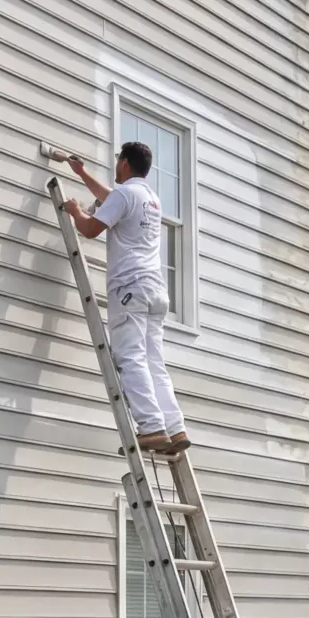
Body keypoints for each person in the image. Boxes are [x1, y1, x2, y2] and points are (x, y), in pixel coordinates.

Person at [62, 144, 187, 453]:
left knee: (130, 357)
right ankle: (174, 427)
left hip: (130, 287)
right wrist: (81, 173)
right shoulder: (149, 198)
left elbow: (91, 229)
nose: (116, 164)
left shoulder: (125, 195)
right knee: (153, 361)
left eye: (118, 160)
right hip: (155, 291)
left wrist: (75, 210)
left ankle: (151, 428)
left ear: (126, 163)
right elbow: (112, 199)